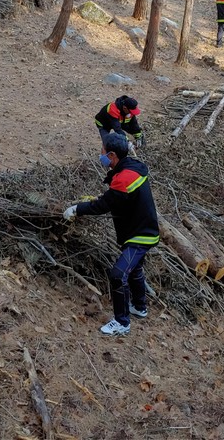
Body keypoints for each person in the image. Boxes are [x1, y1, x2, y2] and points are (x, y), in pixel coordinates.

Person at [63, 133, 160, 336]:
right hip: (141, 230)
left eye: (103, 152)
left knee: (118, 274)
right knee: (135, 270)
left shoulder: (124, 177)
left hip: (140, 236)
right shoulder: (131, 167)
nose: (101, 156)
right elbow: (115, 199)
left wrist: (77, 209)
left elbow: (103, 205)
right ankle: (139, 307)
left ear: (113, 155)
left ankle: (121, 321)